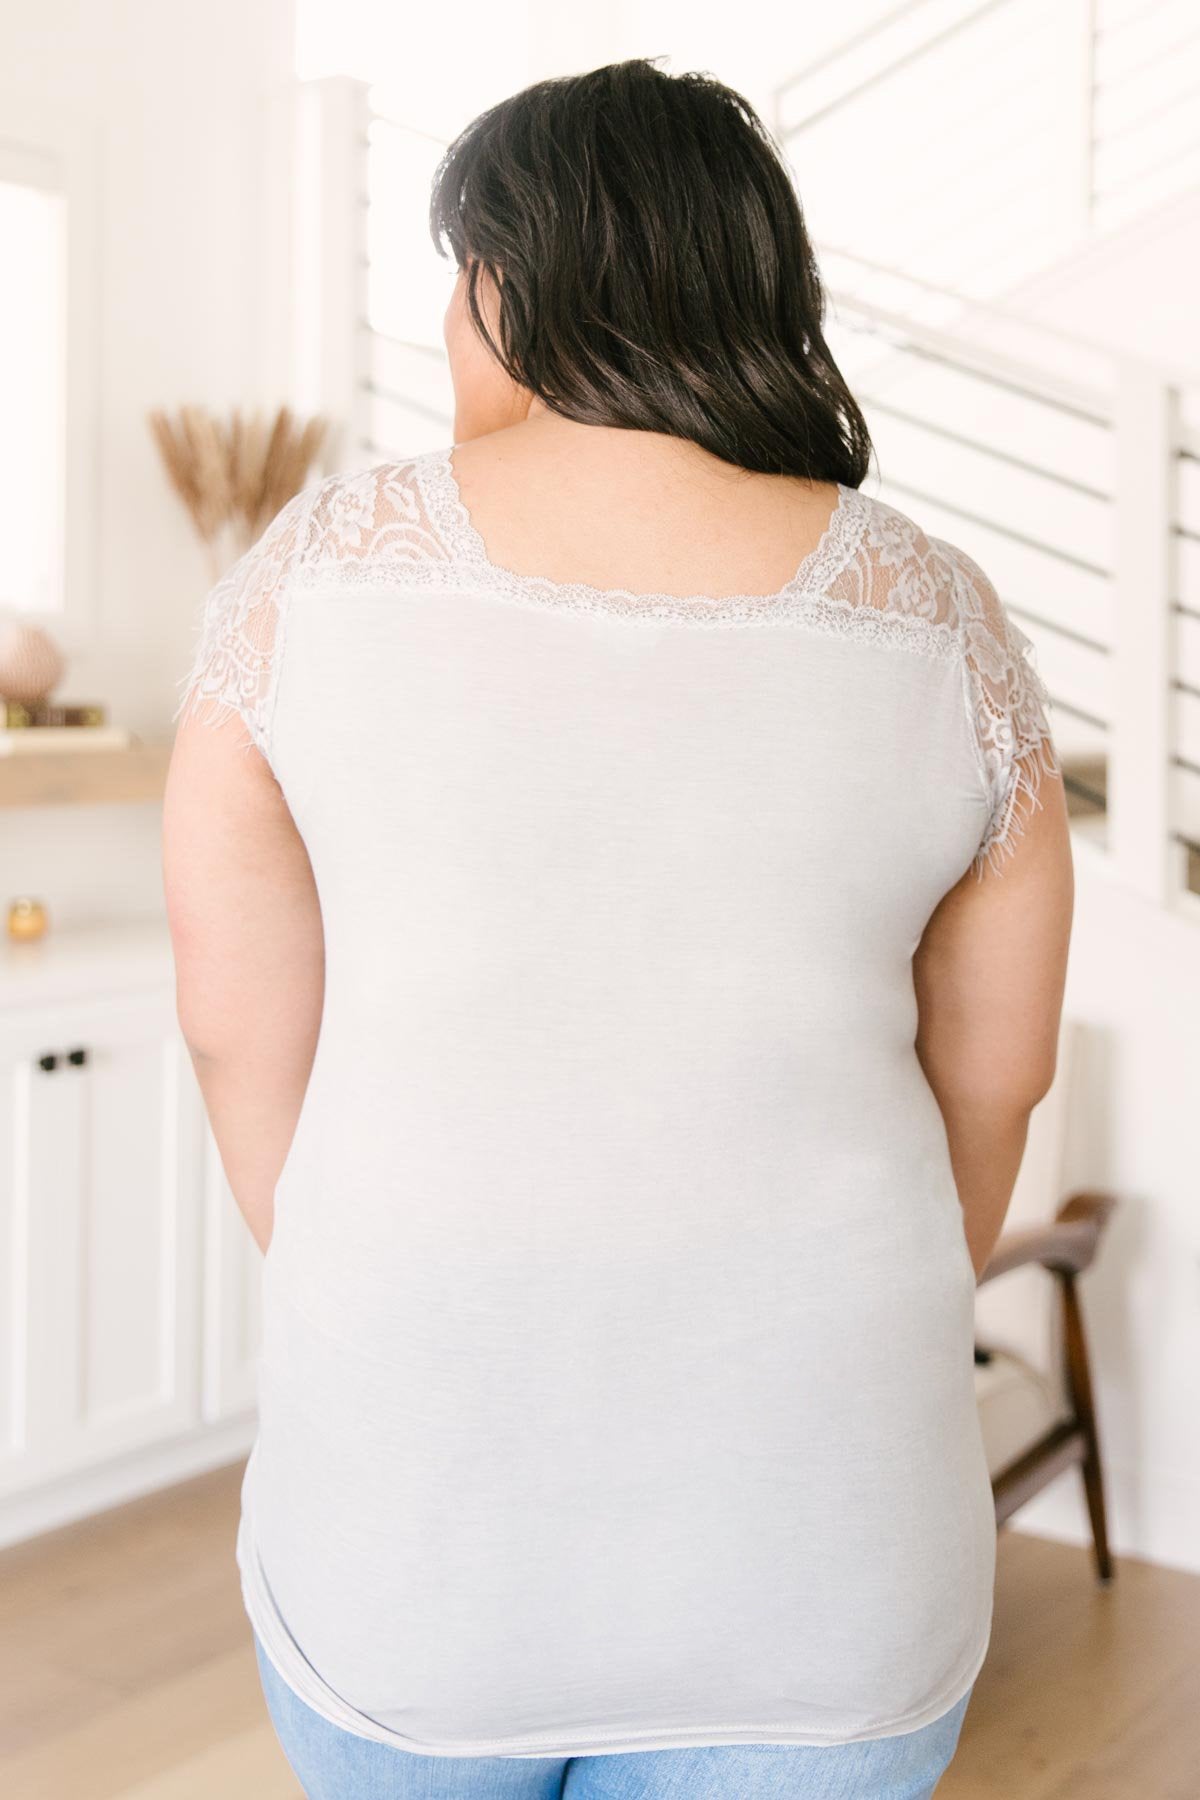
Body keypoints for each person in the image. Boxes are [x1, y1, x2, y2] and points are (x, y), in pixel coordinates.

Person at [163, 56, 1073, 1800]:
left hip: (414, 1504)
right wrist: (845, 1315)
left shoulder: (308, 577)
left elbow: (237, 1030)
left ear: (510, 280)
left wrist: (403, 1289)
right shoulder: (944, 615)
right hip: (828, 1522)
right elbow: (995, 1071)